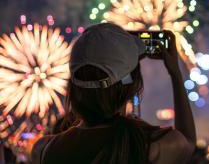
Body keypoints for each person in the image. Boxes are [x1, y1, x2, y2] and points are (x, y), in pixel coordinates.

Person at [32, 23, 196, 164]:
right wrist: (175, 74)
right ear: (131, 86)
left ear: (73, 87)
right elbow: (188, 142)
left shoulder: (44, 150)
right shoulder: (154, 147)